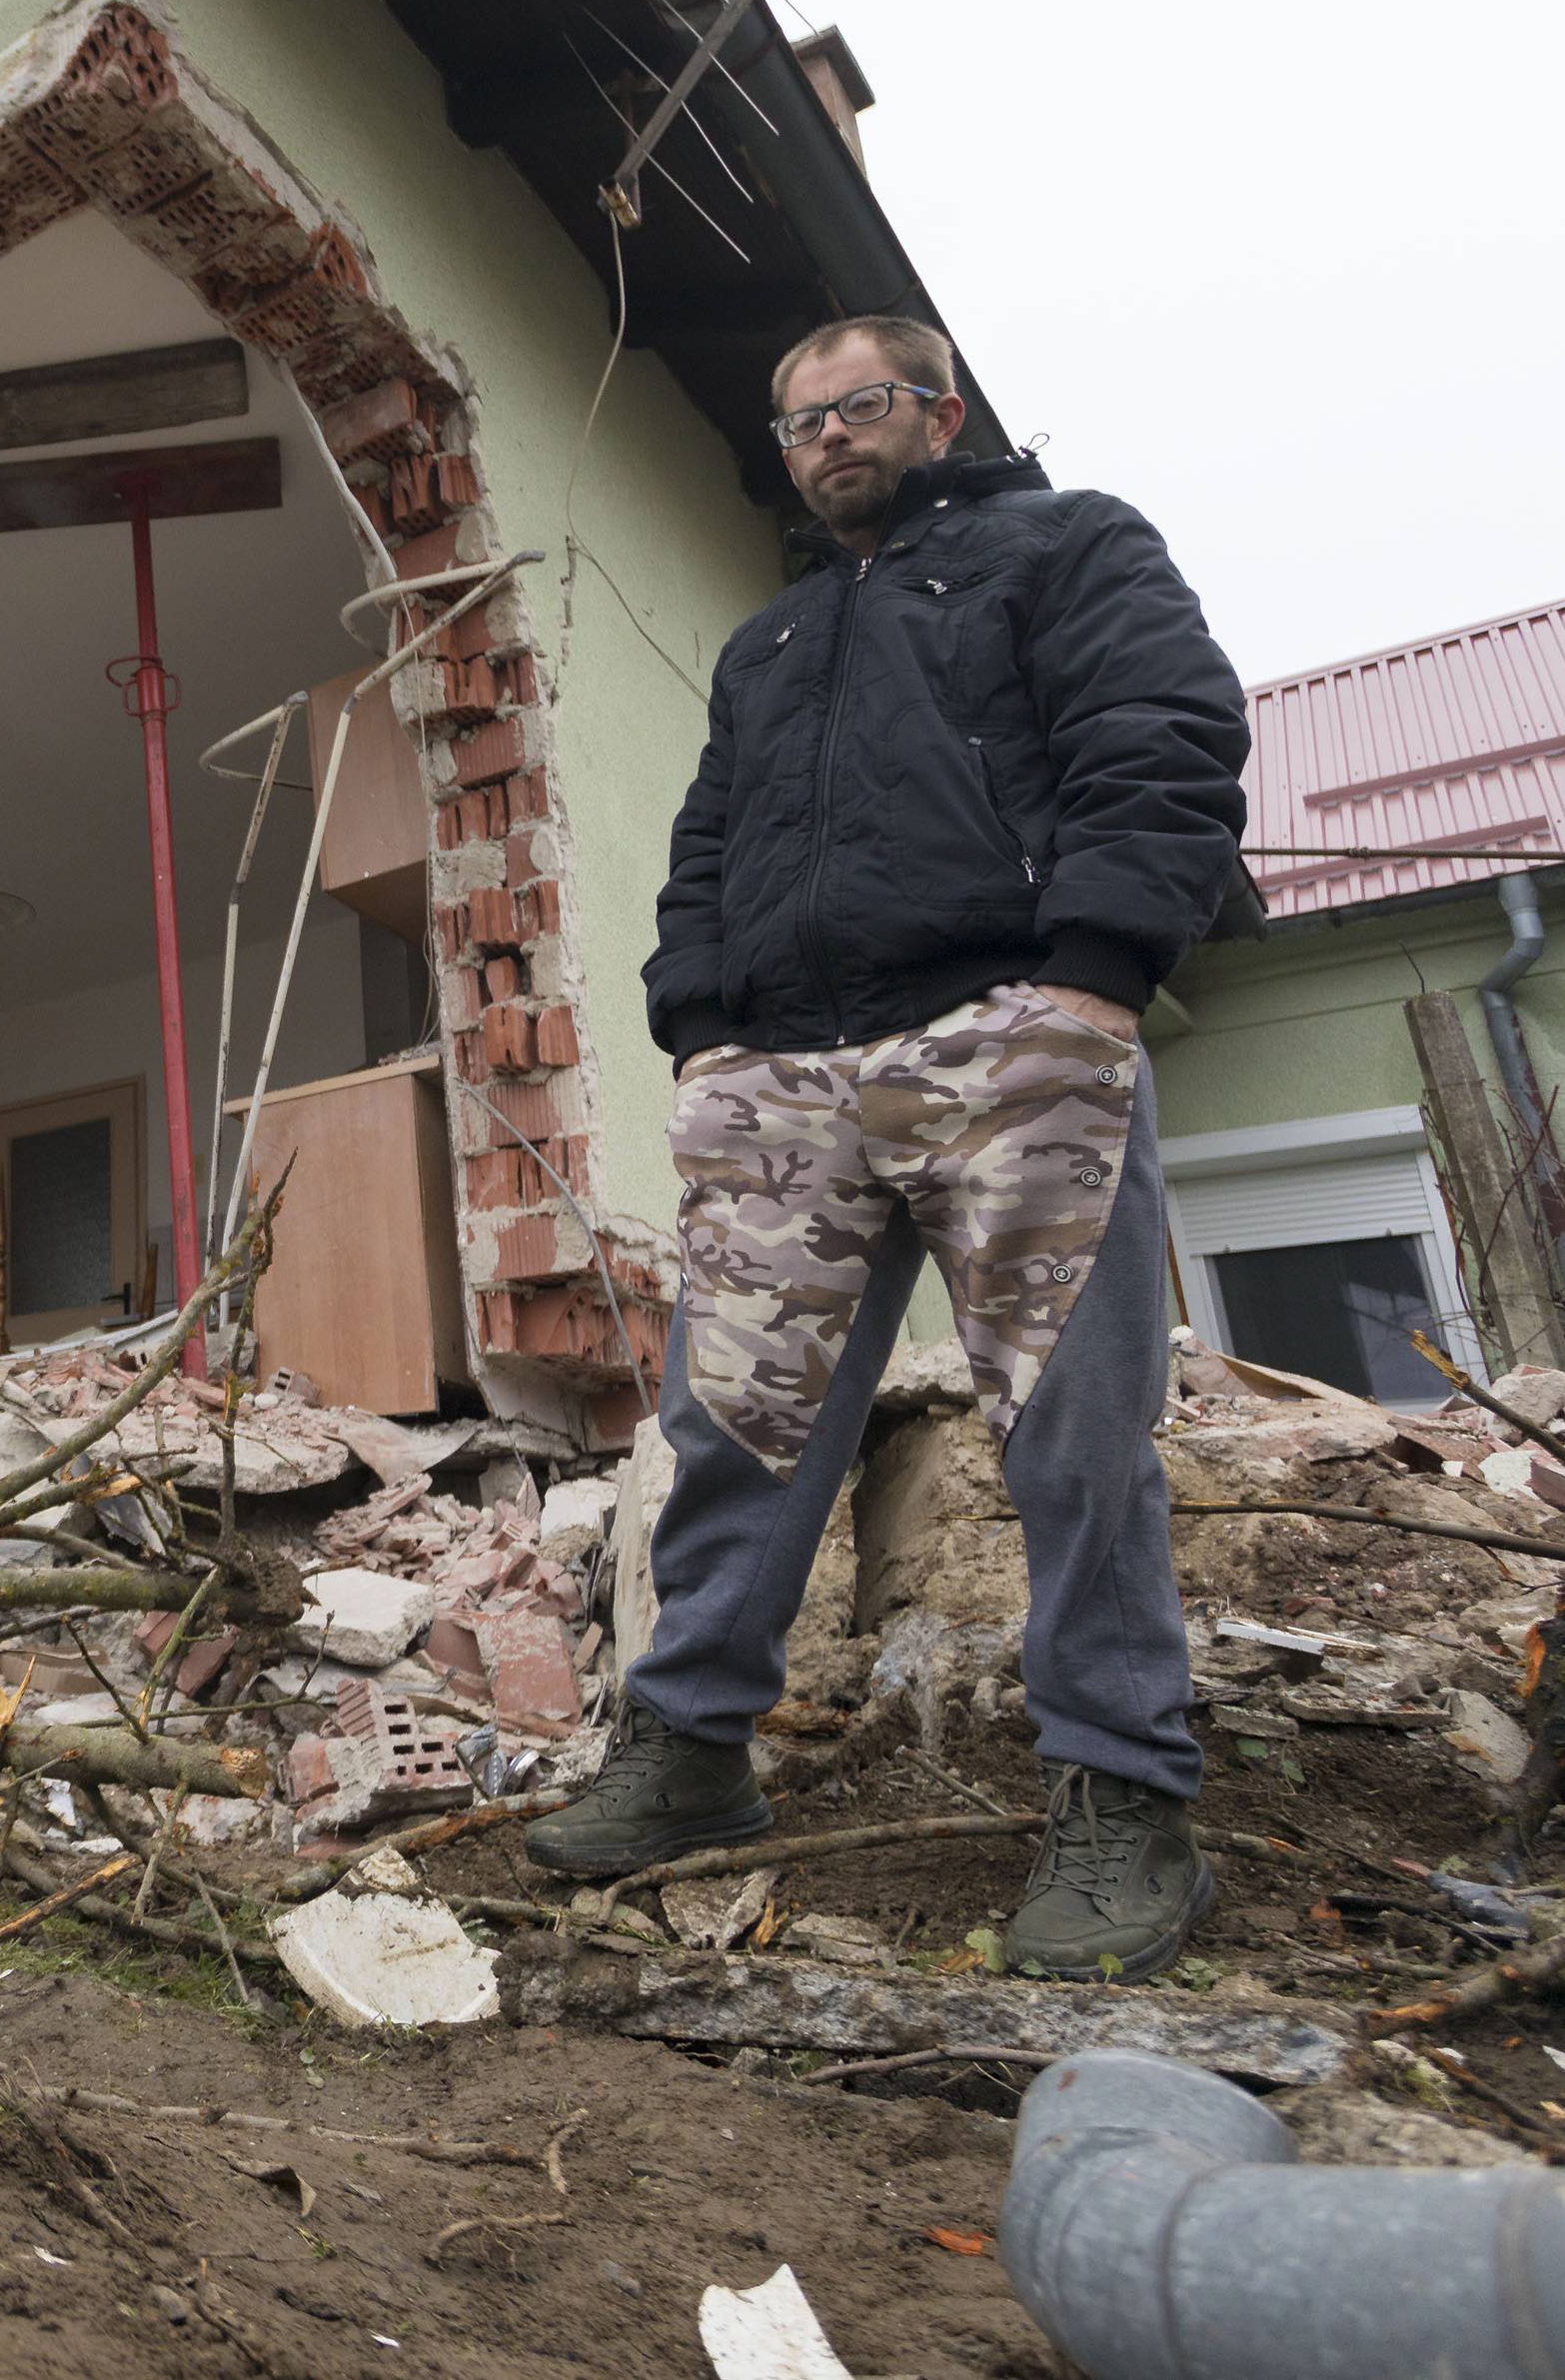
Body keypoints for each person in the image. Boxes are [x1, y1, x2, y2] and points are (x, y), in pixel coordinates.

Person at [526, 316, 1251, 1980]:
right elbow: (706, 839)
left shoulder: (1070, 545)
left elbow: (1163, 734)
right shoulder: (772, 644)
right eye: (795, 426)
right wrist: (698, 1019)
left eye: (855, 406)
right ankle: (694, 1754)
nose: (824, 440)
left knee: (1071, 1437)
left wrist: (1095, 976)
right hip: (784, 1074)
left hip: (1009, 1029)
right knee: (735, 1429)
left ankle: (1128, 1800)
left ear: (942, 409)